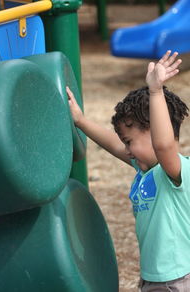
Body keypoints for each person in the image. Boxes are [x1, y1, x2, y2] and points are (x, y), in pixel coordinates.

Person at [66, 50, 190, 291]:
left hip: (177, 280)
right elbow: (112, 143)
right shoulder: (146, 171)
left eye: (130, 142)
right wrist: (80, 121)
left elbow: (163, 145)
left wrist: (155, 91)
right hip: (155, 278)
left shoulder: (174, 170)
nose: (127, 150)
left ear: (155, 131)